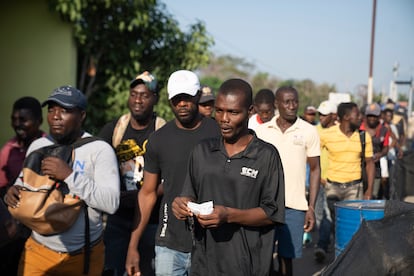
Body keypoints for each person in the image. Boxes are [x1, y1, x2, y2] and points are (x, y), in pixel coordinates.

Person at [172, 78, 285, 275]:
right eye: (219, 110)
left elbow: (272, 213)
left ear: (250, 111)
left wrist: (228, 215)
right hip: (205, 264)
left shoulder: (266, 156)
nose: (224, 118)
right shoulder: (202, 151)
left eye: (233, 112)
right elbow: (189, 195)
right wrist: (182, 205)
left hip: (248, 265)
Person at [4, 85, 120, 275]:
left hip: (82, 256)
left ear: (82, 115)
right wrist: (13, 191)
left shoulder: (99, 149)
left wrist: (69, 176)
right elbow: (22, 183)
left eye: (64, 110)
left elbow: (111, 203)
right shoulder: (39, 145)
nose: (55, 116)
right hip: (37, 251)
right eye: (51, 110)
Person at [125, 70, 220, 276]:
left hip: (213, 243)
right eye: (177, 99)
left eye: (187, 98)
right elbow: (147, 193)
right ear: (169, 101)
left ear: (197, 96)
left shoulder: (218, 133)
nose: (182, 104)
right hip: (169, 244)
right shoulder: (159, 140)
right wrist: (133, 245)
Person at [99, 72, 166, 276]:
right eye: (134, 94)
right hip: (118, 218)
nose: (138, 100)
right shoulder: (114, 129)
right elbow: (97, 166)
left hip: (151, 221)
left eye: (144, 95)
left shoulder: (163, 132)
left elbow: (172, 177)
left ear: (155, 98)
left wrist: (145, 194)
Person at [256, 86, 320, 276]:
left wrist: (311, 207)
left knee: (287, 258)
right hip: (265, 205)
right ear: (277, 104)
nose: (292, 106)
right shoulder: (262, 131)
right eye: (287, 101)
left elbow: (315, 170)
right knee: (263, 258)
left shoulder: (309, 131)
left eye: (295, 101)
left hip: (294, 207)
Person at [0, 96, 46, 276]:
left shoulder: (48, 147)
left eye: (23, 120)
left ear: (39, 121)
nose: (17, 124)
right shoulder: (8, 150)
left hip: (40, 227)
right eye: (14, 119)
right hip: (12, 227)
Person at [319, 102, 375, 222]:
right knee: (334, 222)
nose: (361, 117)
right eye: (357, 114)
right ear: (346, 117)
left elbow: (370, 163)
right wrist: (318, 177)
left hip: (354, 188)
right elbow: (312, 156)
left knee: (351, 222)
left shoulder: (364, 136)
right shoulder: (327, 135)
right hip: (332, 188)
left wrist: (369, 190)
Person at [313, 100, 337, 263]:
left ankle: (325, 244)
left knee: (332, 215)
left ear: (333, 115)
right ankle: (324, 243)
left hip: (335, 180)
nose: (321, 117)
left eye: (324, 114)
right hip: (318, 179)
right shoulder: (314, 131)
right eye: (319, 114)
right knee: (320, 214)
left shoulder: (339, 132)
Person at [360, 103, 390, 199]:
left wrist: (380, 154)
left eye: (375, 116)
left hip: (375, 168)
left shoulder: (384, 130)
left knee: (373, 195)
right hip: (359, 168)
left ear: (379, 116)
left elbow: (386, 147)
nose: (372, 118)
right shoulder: (359, 128)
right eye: (370, 116)